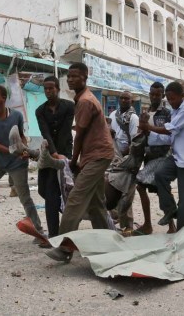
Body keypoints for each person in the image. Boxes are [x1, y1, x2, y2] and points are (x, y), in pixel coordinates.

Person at [45, 62, 114, 262]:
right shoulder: (83, 99)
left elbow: (81, 136)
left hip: (98, 155)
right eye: (69, 76)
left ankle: (65, 248)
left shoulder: (85, 101)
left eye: (75, 76)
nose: (71, 79)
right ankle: (108, 242)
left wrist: (74, 161)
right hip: (97, 154)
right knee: (95, 203)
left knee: (75, 198)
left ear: (85, 77)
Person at [0, 85, 44, 246]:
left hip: (17, 163)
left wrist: (24, 150)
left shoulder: (16, 115)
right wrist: (14, 151)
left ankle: (39, 231)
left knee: (25, 197)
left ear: (4, 98)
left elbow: (21, 136)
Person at [138, 81, 184, 231]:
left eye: (174, 99)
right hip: (179, 157)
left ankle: (183, 234)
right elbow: (169, 139)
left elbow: (170, 130)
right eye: (169, 99)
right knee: (160, 175)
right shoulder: (175, 112)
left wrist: (149, 127)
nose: (171, 102)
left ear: (183, 96)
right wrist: (148, 132)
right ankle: (170, 210)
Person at [35, 76, 75, 239]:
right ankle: (54, 232)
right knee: (45, 190)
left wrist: (61, 154)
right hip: (48, 153)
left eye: (51, 88)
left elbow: (66, 131)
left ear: (58, 89)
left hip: (66, 152)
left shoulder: (69, 106)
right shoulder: (40, 111)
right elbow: (45, 133)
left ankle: (60, 233)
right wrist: (53, 152)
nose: (48, 91)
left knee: (62, 191)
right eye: (45, 88)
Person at [133, 81, 175, 235]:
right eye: (152, 94)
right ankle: (153, 224)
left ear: (163, 95)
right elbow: (142, 133)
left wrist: (149, 131)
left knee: (149, 186)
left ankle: (164, 225)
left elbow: (170, 135)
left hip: (163, 155)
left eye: (157, 94)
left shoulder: (167, 114)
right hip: (148, 155)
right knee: (160, 189)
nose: (154, 97)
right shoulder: (145, 112)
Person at [106, 91, 140, 231]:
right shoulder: (113, 115)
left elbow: (134, 141)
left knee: (126, 190)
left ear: (131, 101)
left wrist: (124, 157)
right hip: (113, 155)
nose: (124, 100)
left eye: (127, 99)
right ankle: (115, 217)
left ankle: (128, 225)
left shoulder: (133, 118)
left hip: (126, 158)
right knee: (112, 187)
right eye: (122, 98)